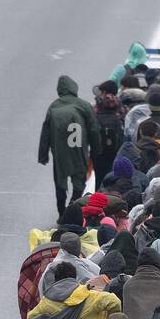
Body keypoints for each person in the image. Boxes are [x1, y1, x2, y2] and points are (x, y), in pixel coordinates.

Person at [39, 75, 101, 217]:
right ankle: (74, 204)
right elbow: (93, 129)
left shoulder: (54, 106)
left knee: (60, 181)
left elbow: (46, 132)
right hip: (79, 148)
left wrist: (43, 155)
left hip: (60, 151)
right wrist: (96, 150)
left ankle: (61, 213)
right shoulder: (84, 105)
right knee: (79, 179)